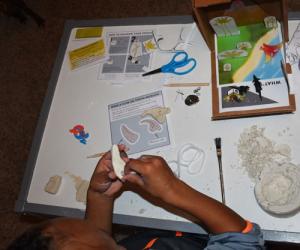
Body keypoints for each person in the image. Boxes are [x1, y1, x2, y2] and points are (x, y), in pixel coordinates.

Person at [7, 145, 264, 249]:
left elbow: (96, 237)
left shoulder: (93, 244)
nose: (103, 234)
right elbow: (243, 239)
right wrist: (172, 190)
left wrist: (100, 197)